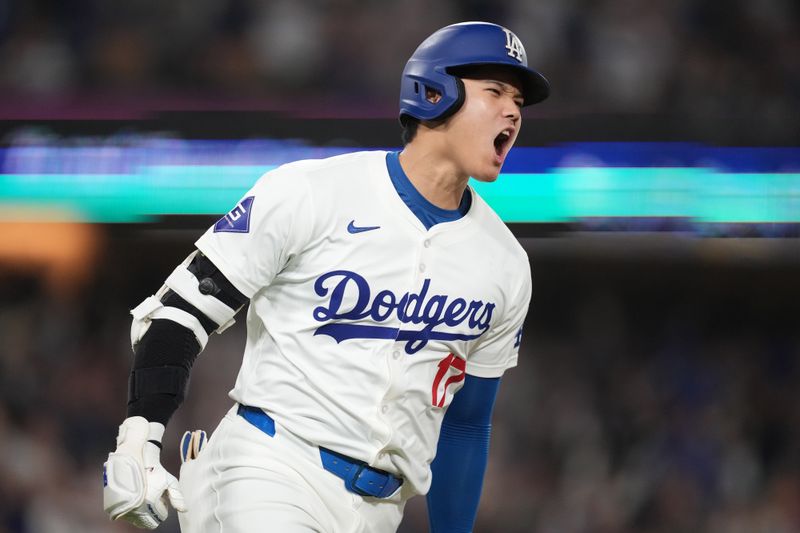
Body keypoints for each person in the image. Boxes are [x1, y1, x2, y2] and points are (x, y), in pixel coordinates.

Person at [103, 21, 549, 533]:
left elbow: (466, 425)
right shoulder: (313, 192)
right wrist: (140, 434)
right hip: (269, 470)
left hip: (383, 509)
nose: (513, 111)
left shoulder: (505, 263)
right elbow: (182, 312)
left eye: (518, 99)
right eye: (494, 91)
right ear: (434, 92)